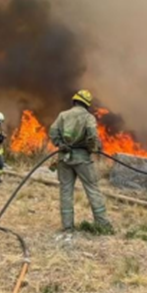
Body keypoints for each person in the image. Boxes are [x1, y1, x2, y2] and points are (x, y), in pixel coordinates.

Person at [48, 90, 113, 233]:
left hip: (64, 158)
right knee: (92, 189)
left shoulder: (63, 115)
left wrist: (60, 143)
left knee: (65, 191)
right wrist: (94, 149)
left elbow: (52, 132)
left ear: (75, 101)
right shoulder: (88, 117)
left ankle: (67, 226)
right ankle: (103, 224)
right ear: (86, 105)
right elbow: (92, 137)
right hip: (82, 159)